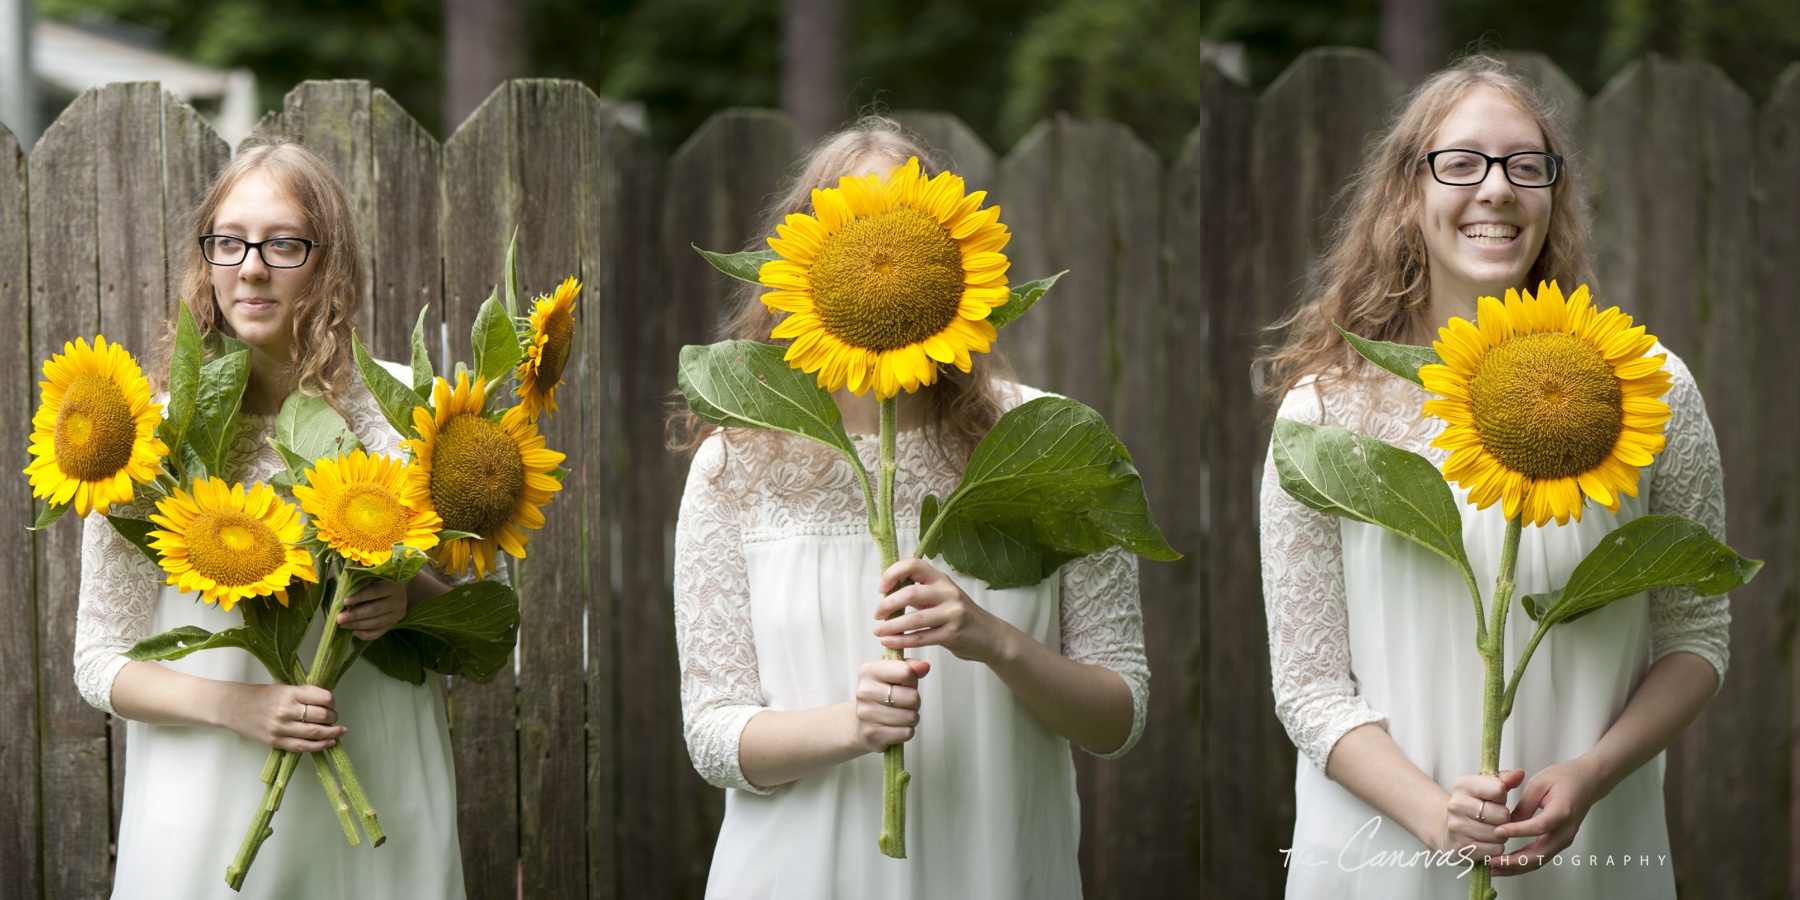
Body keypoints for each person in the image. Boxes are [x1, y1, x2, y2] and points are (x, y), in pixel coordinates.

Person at [1256, 55, 1729, 898]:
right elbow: (1309, 685)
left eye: (1525, 164)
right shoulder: (1327, 416)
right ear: (1408, 193)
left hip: (1590, 854)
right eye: (1462, 163)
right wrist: (1437, 816)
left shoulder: (1648, 389)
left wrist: (1589, 774)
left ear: (1554, 193)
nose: (1497, 189)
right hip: (1378, 857)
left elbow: (1698, 637)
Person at [671, 117, 1148, 900]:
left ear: (956, 259)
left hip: (998, 872)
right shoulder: (739, 465)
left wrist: (993, 638)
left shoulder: (1045, 446)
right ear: (804, 264)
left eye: (909, 226)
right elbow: (713, 735)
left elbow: (1119, 717)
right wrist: (850, 727)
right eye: (857, 228)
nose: (881, 258)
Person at [73, 140, 466, 899]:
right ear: (206, 259)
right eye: (229, 241)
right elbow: (99, 662)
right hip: (209, 799)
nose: (251, 268)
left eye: (284, 244)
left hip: (383, 782)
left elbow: (468, 633)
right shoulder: (147, 442)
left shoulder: (403, 410)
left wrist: (407, 596)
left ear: (331, 264)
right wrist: (239, 705)